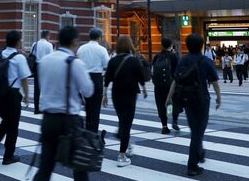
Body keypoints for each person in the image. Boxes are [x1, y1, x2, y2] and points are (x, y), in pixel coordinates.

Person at [22, 26, 105, 181]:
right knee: (80, 167)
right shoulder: (74, 63)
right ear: (75, 42)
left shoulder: (46, 61)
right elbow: (88, 91)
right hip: (69, 120)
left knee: (43, 174)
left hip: (48, 120)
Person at [166, 33, 221, 177]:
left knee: (195, 130)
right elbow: (215, 82)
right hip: (202, 100)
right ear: (202, 46)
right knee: (198, 132)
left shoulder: (183, 60)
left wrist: (169, 97)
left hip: (187, 99)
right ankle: (192, 165)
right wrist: (219, 98)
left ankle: (200, 152)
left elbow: (175, 80)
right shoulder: (206, 61)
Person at [0, 30, 31, 165]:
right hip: (12, 94)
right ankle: (8, 155)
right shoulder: (19, 58)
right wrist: (27, 96)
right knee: (13, 125)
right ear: (18, 41)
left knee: (6, 121)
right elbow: (24, 79)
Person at [103, 36, 148, 167]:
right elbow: (141, 77)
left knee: (123, 120)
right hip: (130, 94)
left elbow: (107, 79)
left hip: (116, 94)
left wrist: (104, 95)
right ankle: (122, 155)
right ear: (129, 46)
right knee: (126, 123)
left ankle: (127, 143)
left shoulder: (112, 61)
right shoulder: (133, 61)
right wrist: (144, 90)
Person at [76, 27, 110, 132]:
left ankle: (88, 128)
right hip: (96, 78)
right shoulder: (102, 49)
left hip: (84, 77)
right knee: (96, 108)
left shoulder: (81, 48)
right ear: (99, 37)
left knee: (88, 106)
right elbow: (106, 64)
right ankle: (93, 131)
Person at [152, 37, 179, 134]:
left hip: (158, 86)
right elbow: (178, 71)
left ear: (162, 45)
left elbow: (152, 71)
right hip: (171, 85)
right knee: (172, 103)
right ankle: (174, 120)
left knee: (160, 104)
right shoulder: (174, 56)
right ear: (171, 45)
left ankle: (164, 126)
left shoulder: (157, 56)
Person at [30, 30, 54, 114]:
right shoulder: (49, 45)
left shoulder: (35, 44)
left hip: (36, 65)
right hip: (45, 66)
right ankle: (45, 106)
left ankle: (36, 108)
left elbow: (32, 54)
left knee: (37, 88)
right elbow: (51, 58)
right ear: (47, 36)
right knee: (46, 87)